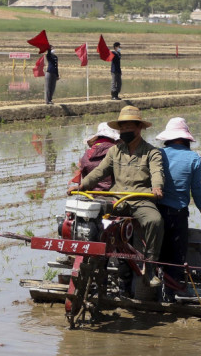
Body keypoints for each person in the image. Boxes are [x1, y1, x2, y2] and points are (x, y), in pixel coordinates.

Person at [68, 106, 164, 287]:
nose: (126, 131)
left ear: (139, 128)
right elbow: (99, 172)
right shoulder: (114, 151)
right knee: (91, 212)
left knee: (155, 221)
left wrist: (157, 187)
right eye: (123, 128)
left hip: (140, 199)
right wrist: (81, 185)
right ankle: (91, 258)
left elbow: (157, 172)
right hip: (116, 198)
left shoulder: (152, 152)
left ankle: (150, 267)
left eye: (129, 128)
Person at [155, 117, 201, 290]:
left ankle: (156, 289)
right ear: (186, 138)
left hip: (156, 212)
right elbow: (196, 189)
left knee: (159, 252)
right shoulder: (193, 158)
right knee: (176, 256)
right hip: (178, 215)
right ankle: (172, 291)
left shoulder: (157, 154)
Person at [69, 122, 120, 192]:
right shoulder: (117, 152)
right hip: (115, 196)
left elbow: (86, 177)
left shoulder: (86, 156)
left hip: (92, 195)